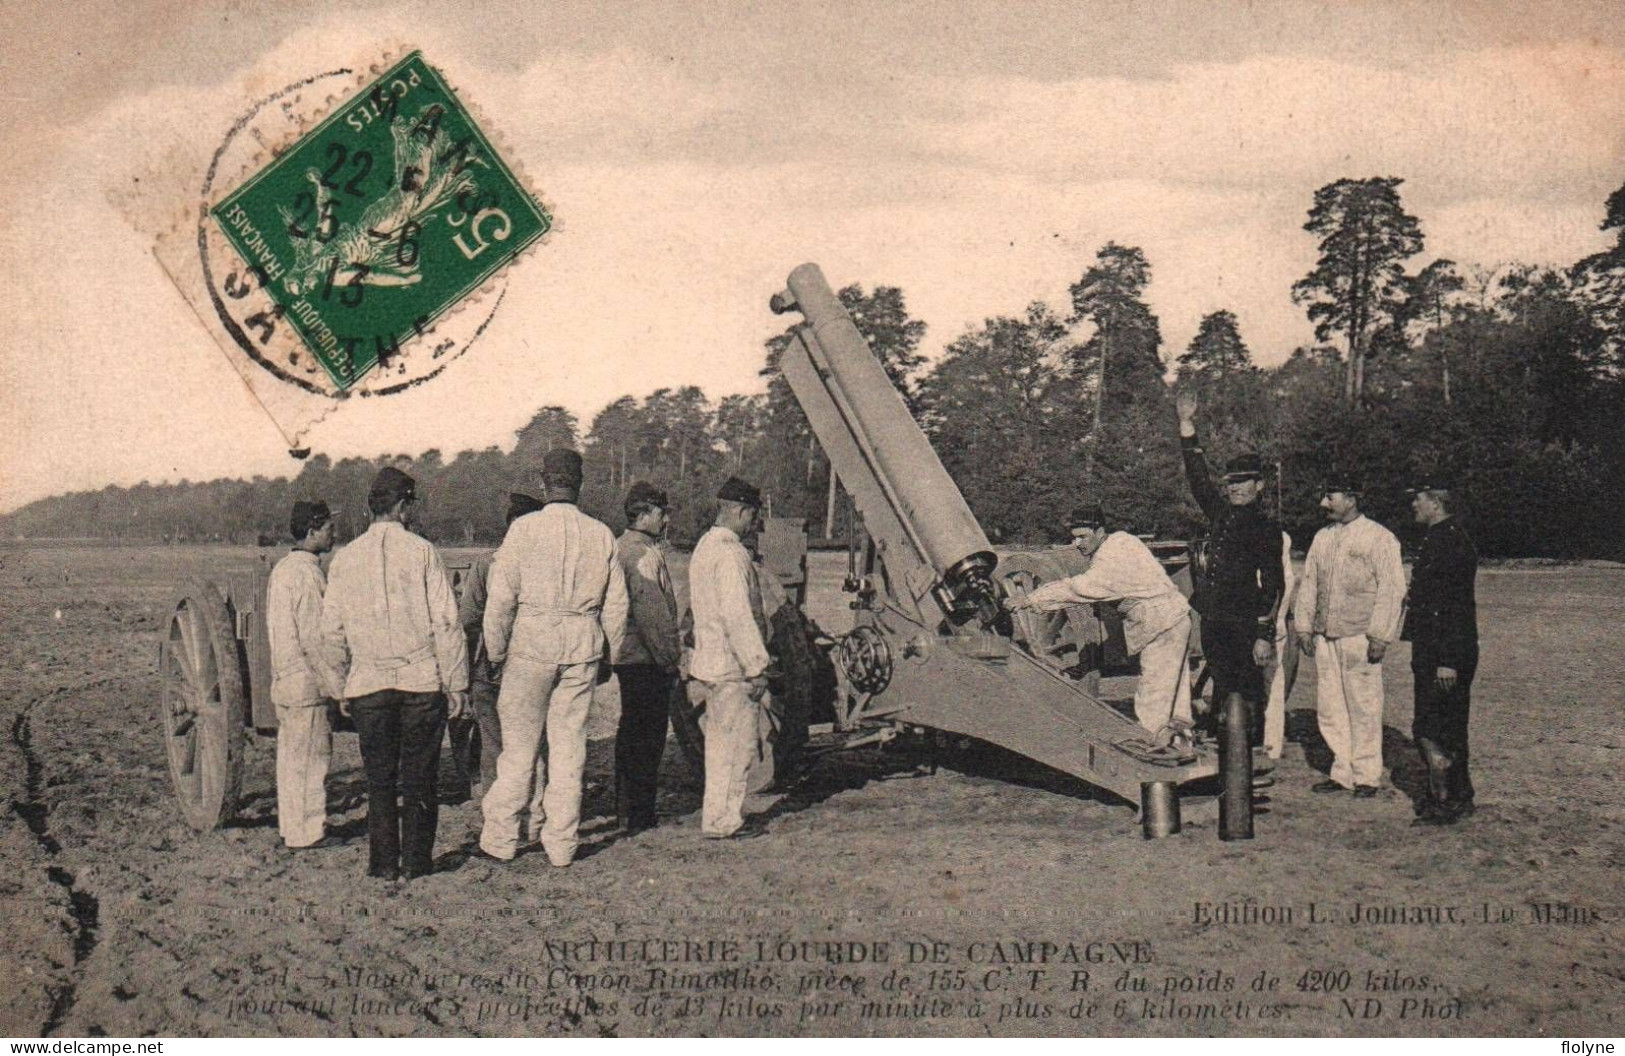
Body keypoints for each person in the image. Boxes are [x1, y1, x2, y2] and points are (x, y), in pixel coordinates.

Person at [479, 449, 628, 867]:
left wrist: (494, 650)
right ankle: (562, 844)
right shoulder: (601, 534)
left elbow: (501, 599)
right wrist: (609, 656)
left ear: (544, 483)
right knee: (569, 749)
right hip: (581, 644)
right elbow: (616, 606)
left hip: (531, 645)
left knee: (519, 750)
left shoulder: (524, 530)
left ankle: (501, 839)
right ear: (578, 485)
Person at [321, 468, 469, 880]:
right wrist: (456, 682)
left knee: (380, 781)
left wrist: (339, 687)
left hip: (368, 685)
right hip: (420, 683)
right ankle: (417, 863)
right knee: (421, 779)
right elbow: (446, 622)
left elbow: (331, 631)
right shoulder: (423, 552)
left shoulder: (345, 559)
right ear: (403, 507)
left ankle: (384, 865)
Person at [1011, 505, 1194, 743]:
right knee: (1177, 695)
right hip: (1177, 616)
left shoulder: (1109, 563)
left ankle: (1149, 753)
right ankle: (1181, 744)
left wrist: (1030, 599)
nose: (1077, 543)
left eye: (1082, 537)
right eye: (1074, 538)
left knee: (1153, 697)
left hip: (1160, 624)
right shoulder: (1123, 540)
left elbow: (1077, 589)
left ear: (1100, 531)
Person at [1174, 390, 1285, 745]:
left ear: (1259, 485)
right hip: (1214, 618)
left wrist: (1262, 635)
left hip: (1244, 621)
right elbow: (1198, 482)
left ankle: (1246, 756)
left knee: (1246, 691)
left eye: (1242, 483)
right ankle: (1224, 751)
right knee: (1222, 682)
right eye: (1231, 484)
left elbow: (1273, 585)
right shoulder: (1221, 514)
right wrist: (1187, 428)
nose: (1235, 489)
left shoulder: (1266, 528)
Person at [1291, 479, 1405, 799]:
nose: (1324, 504)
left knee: (1364, 707)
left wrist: (1381, 635)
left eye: (1331, 496)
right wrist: (1304, 627)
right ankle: (1342, 771)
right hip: (1326, 638)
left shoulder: (1379, 538)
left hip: (1360, 637)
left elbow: (1392, 589)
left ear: (1352, 498)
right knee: (1330, 708)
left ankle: (1367, 776)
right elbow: (1310, 583)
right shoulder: (1322, 538)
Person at [688, 477, 773, 840]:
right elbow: (738, 614)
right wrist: (757, 666)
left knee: (719, 745)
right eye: (752, 517)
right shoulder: (732, 555)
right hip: (733, 667)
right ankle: (725, 820)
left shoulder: (704, 548)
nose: (754, 525)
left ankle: (717, 817)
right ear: (739, 511)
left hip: (712, 662)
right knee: (737, 748)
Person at [457, 491, 547, 795]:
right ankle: (531, 812)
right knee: (534, 742)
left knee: (494, 743)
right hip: (533, 665)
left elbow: (468, 620)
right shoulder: (546, 569)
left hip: (491, 668)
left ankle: (497, 813)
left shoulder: (487, 565)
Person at [1401, 478, 1480, 826]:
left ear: (1435, 502)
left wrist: (1448, 660)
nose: (1413, 506)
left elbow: (1456, 607)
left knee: (1437, 729)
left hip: (1446, 655)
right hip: (1432, 651)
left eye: (1418, 499)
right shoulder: (1438, 539)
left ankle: (1447, 802)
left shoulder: (1451, 543)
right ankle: (1455, 797)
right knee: (1438, 726)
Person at [266, 500, 341, 851]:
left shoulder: (282, 570)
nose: (333, 534)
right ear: (311, 532)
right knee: (313, 761)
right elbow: (315, 639)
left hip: (285, 679)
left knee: (291, 760)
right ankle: (308, 833)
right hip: (306, 682)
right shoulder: (309, 575)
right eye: (327, 528)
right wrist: (337, 688)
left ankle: (291, 828)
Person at [612, 481, 682, 835]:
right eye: (661, 512)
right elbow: (653, 615)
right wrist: (671, 660)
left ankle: (626, 808)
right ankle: (640, 813)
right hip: (646, 660)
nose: (666, 520)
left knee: (629, 732)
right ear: (644, 514)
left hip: (625, 657)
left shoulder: (617, 548)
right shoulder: (643, 553)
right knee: (648, 737)